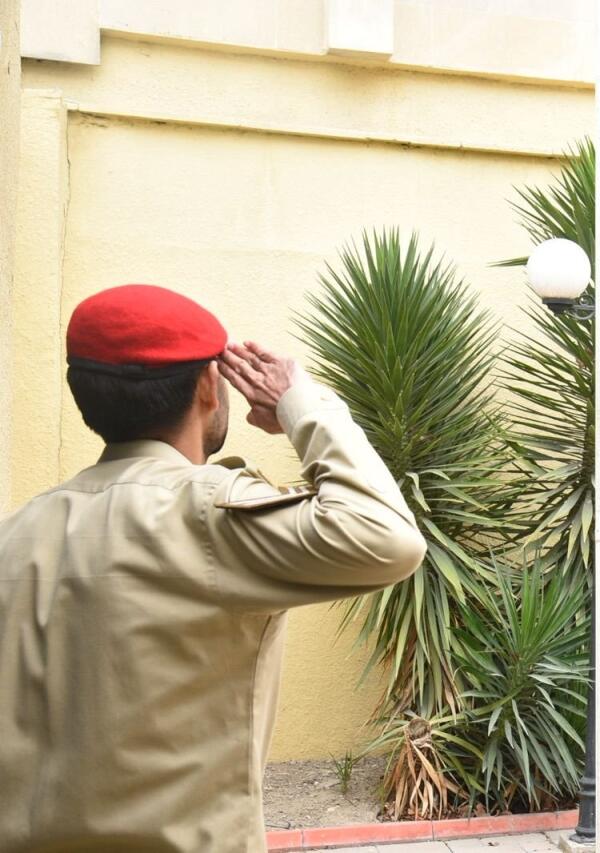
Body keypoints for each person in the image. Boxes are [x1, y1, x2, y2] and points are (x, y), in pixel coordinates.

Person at [0, 284, 427, 852]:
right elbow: (388, 537)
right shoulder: (208, 515)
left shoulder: (15, 534)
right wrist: (302, 405)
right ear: (208, 385)